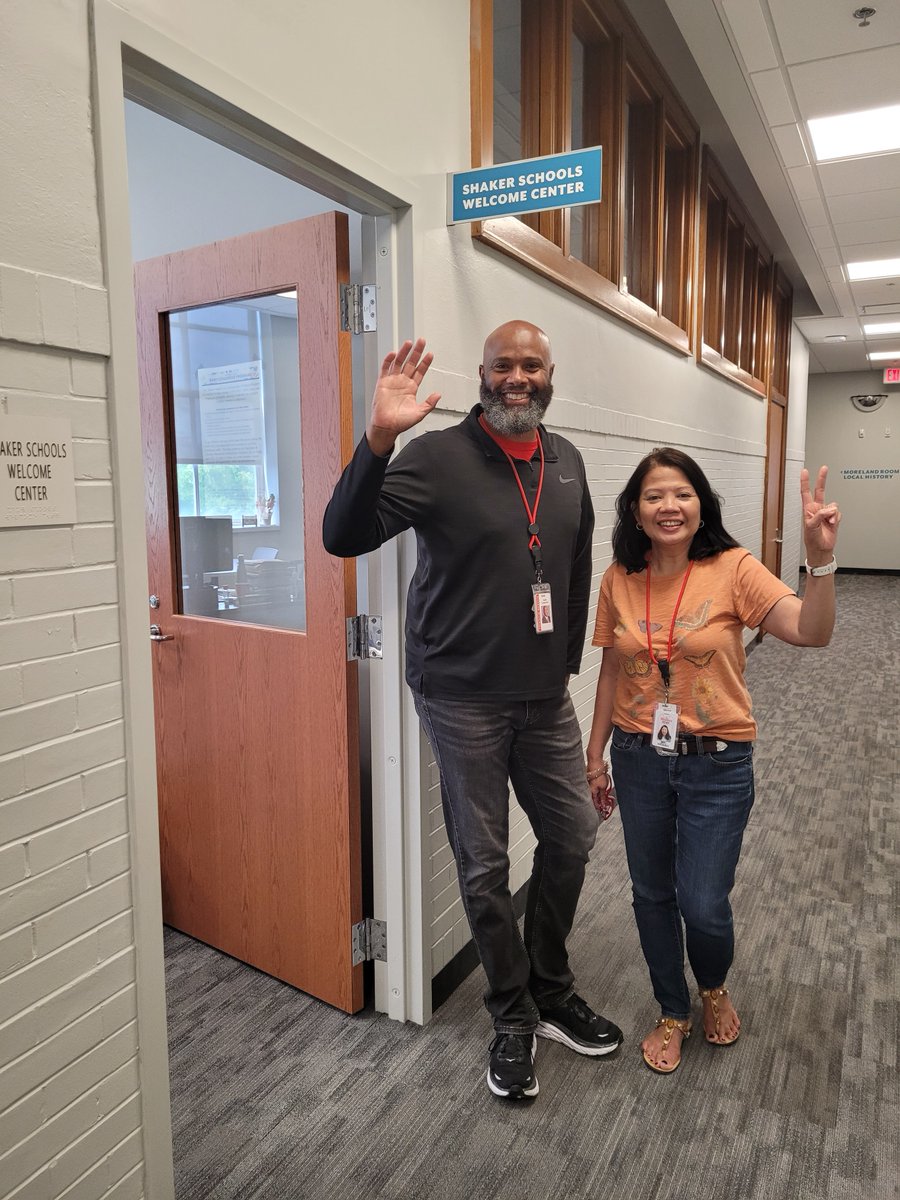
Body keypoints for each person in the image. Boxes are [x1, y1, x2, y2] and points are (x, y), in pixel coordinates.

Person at [323, 323, 622, 1100]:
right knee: (486, 866)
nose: (516, 377)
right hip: (459, 697)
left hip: (541, 695)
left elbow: (577, 560)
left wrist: (564, 669)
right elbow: (342, 533)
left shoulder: (567, 460)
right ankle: (513, 1015)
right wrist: (376, 440)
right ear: (483, 374)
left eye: (531, 365)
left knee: (572, 834)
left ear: (549, 373)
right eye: (502, 366)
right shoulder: (434, 456)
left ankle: (551, 988)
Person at [586, 447, 840, 1074]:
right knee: (649, 892)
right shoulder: (619, 576)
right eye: (654, 496)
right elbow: (612, 667)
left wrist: (821, 558)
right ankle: (672, 1009)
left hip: (719, 761)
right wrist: (595, 756)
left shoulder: (734, 568)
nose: (669, 506)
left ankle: (713, 986)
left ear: (701, 504)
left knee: (702, 901)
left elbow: (813, 631)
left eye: (682, 494)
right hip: (638, 754)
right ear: (636, 511)